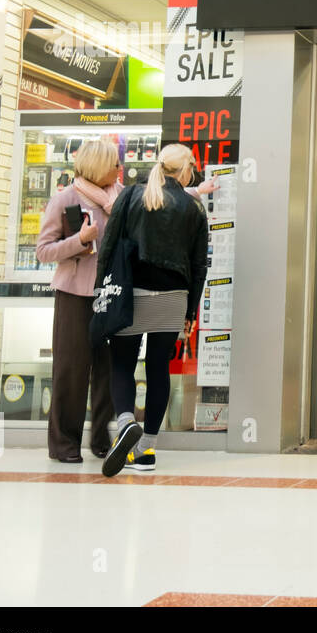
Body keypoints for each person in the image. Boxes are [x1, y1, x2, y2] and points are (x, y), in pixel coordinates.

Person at [96, 144, 209, 477]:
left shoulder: (130, 196)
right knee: (159, 368)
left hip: (132, 294)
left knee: (122, 365)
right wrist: (190, 309)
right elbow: (199, 263)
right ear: (186, 170)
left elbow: (109, 245)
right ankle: (146, 452)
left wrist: (101, 289)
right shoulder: (194, 206)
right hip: (173, 298)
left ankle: (127, 421)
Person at [35, 140, 121, 462]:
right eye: (113, 164)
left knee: (108, 371)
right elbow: (43, 251)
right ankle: (64, 445)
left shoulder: (119, 198)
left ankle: (101, 441)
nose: (118, 170)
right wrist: (79, 240)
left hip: (110, 296)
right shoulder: (65, 199)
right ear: (98, 166)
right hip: (74, 296)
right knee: (71, 371)